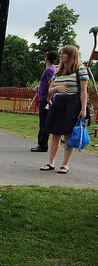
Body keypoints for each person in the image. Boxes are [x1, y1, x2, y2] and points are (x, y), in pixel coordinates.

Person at [40, 45, 89, 175]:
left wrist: (83, 109)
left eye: (64, 53)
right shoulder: (58, 70)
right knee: (55, 135)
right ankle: (51, 163)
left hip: (72, 104)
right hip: (58, 103)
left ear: (71, 55)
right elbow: (50, 90)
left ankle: (65, 164)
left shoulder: (80, 69)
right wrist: (58, 88)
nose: (61, 55)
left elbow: (83, 91)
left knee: (68, 135)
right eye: (61, 53)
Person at [31, 51, 58, 153]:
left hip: (46, 100)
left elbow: (52, 84)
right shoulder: (52, 69)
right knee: (44, 122)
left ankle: (43, 144)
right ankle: (41, 143)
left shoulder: (49, 70)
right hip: (45, 98)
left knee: (44, 123)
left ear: (47, 58)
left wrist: (48, 98)